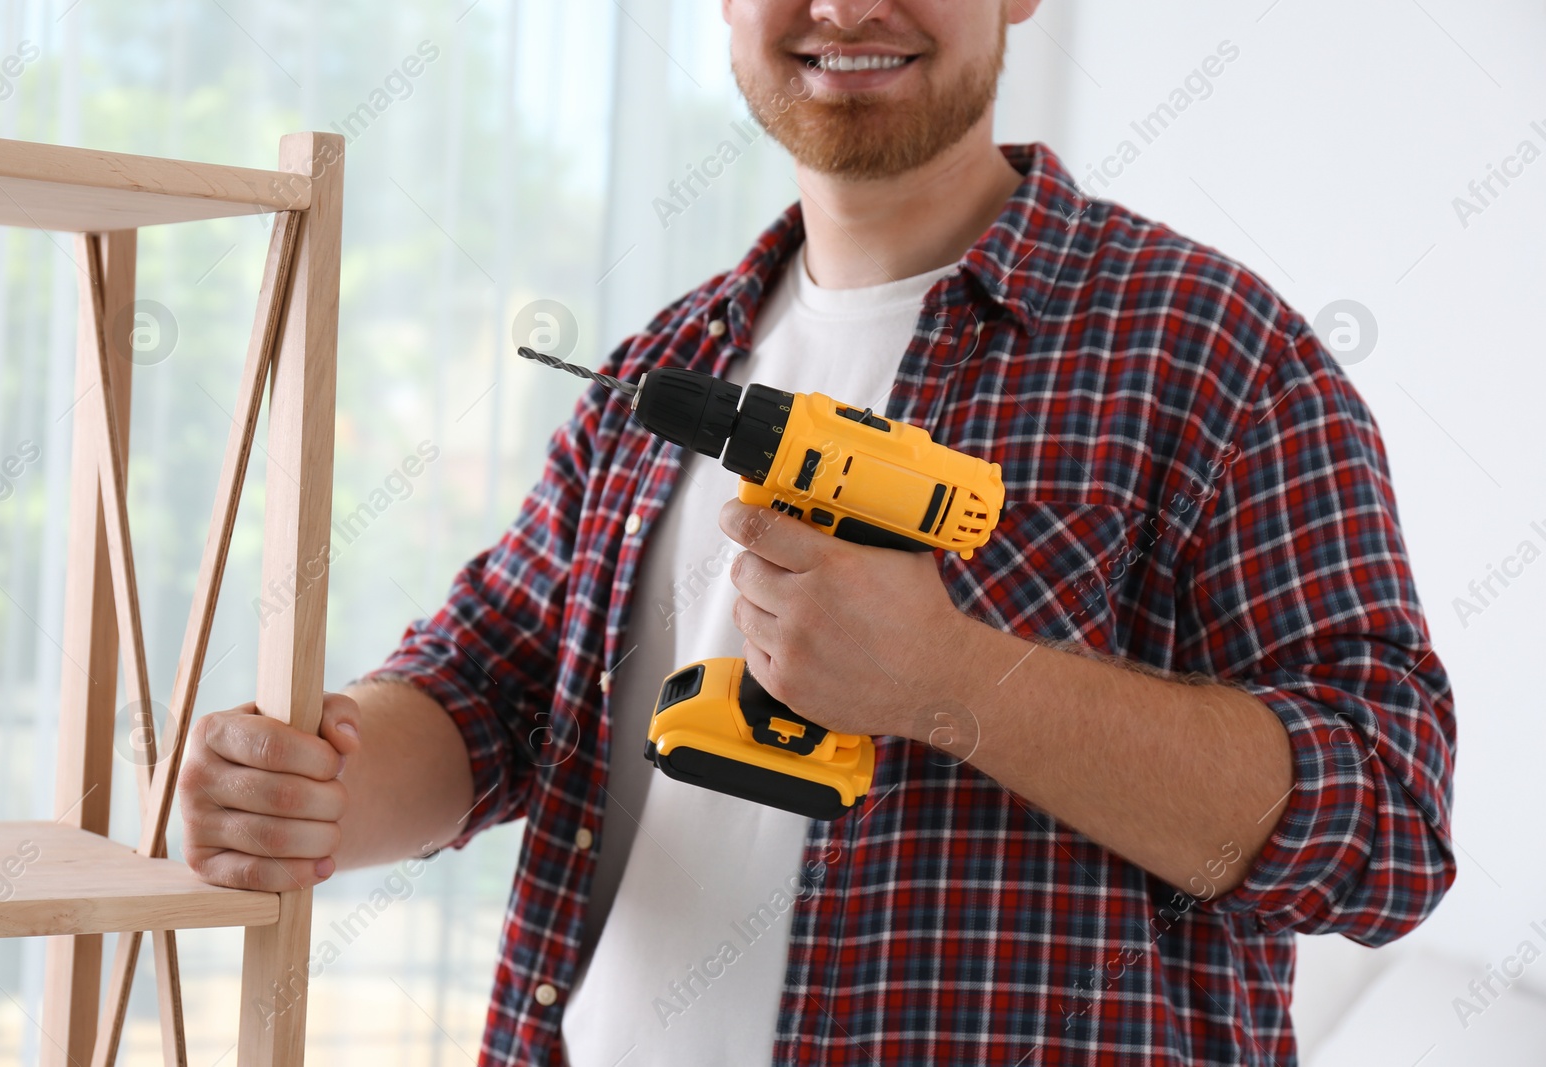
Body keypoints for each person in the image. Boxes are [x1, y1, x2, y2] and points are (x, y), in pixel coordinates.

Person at [178, 1, 1458, 1063]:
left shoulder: (1217, 360)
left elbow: (1388, 831)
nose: (844, 9)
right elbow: (491, 693)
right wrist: (314, 789)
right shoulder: (667, 363)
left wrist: (955, 680)